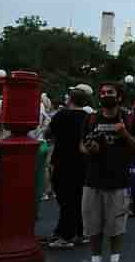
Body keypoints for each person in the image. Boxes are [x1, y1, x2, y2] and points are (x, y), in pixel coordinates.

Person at [80, 83, 135, 262]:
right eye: (103, 92)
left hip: (118, 182)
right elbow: (81, 145)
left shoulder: (129, 120)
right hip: (92, 181)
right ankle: (96, 258)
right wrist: (90, 149)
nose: (106, 95)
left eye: (110, 92)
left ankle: (115, 258)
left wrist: (124, 134)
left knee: (116, 227)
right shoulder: (91, 119)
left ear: (119, 97)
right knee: (93, 226)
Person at [45, 84, 92, 249]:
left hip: (63, 161)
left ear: (70, 99)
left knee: (65, 200)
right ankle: (80, 232)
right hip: (82, 162)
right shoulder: (88, 117)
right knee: (78, 197)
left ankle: (65, 236)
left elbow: (48, 133)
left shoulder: (61, 115)